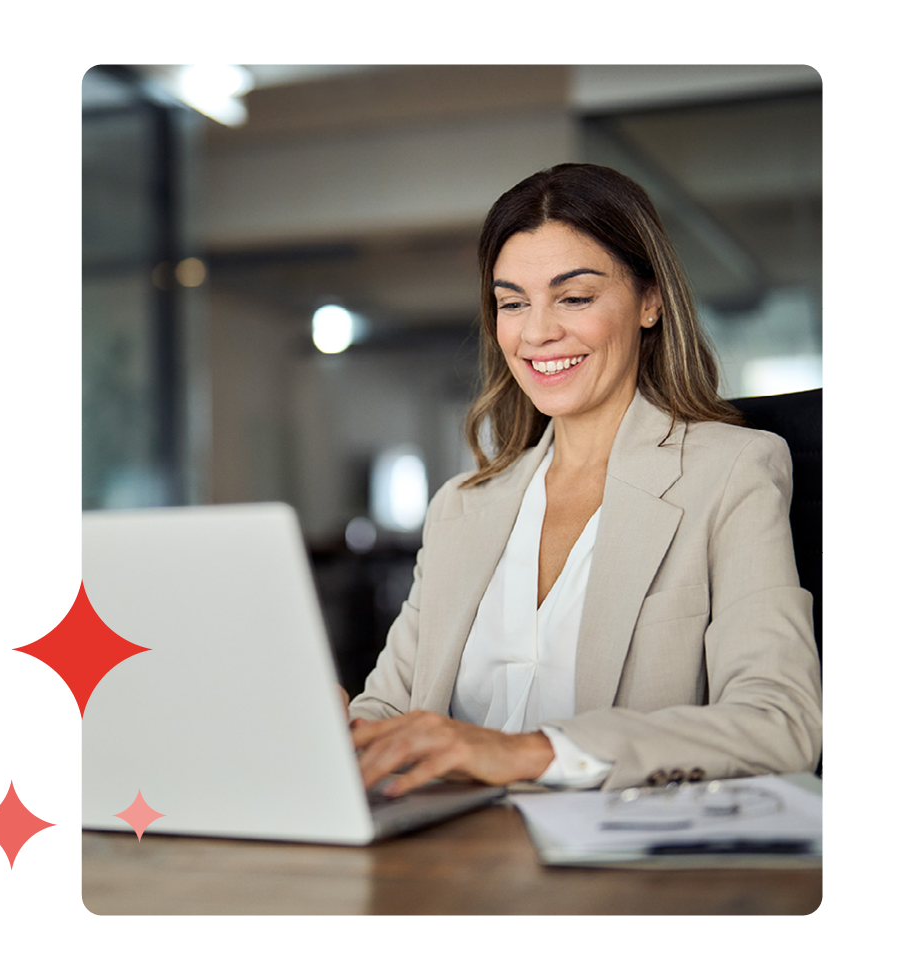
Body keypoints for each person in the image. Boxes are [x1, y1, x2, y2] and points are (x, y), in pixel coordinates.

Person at [346, 163, 823, 795]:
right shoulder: (462, 506)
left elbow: (781, 723)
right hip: (454, 859)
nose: (538, 331)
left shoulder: (730, 471)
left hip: (620, 873)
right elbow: (389, 713)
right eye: (513, 303)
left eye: (574, 297)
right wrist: (334, 730)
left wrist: (531, 753)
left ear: (649, 301)